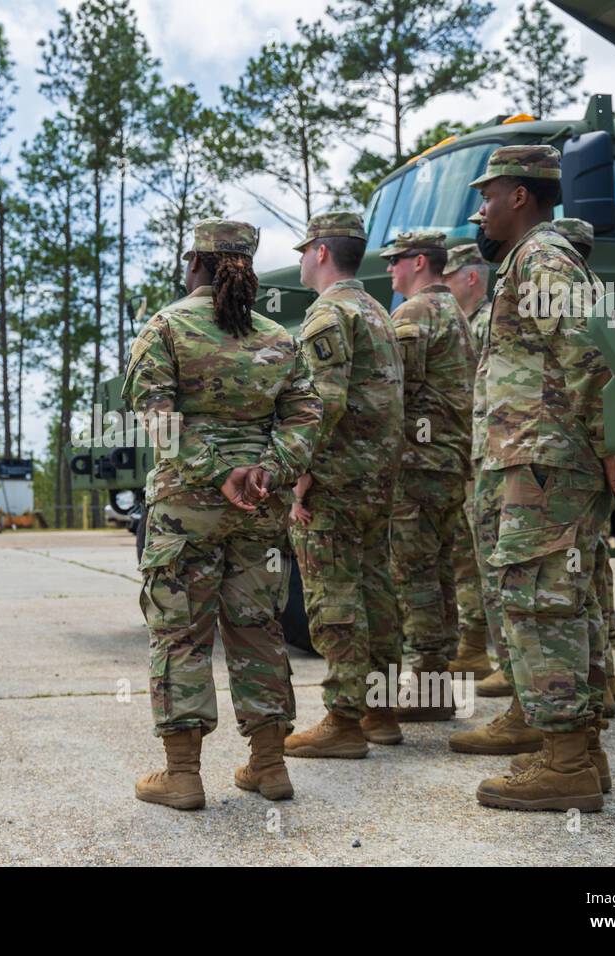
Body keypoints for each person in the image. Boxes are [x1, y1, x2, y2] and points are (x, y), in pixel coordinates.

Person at [452, 145, 615, 812]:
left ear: (521, 196)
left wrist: (612, 441)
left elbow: (588, 351)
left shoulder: (542, 258)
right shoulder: (529, 261)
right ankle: (580, 750)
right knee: (564, 599)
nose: (480, 206)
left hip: (545, 459)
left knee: (539, 600)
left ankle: (565, 763)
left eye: (489, 192)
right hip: (537, 455)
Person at [125, 218, 322, 810]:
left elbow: (156, 416)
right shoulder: (279, 339)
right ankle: (269, 766)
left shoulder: (165, 327)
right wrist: (266, 469)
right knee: (258, 630)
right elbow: (307, 417)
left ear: (194, 265)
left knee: (181, 633)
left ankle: (183, 776)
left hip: (188, 508)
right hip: (260, 510)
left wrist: (218, 472)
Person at [283, 212, 406, 759]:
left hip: (336, 478)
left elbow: (321, 404)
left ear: (322, 252)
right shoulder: (379, 311)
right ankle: (380, 711)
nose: (303, 258)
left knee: (333, 594)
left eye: (306, 249)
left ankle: (343, 721)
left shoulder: (328, 315)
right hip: (378, 477)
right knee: (377, 590)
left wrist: (301, 474)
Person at [381, 231, 474, 720]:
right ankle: (438, 682)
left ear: (419, 262)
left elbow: (397, 391)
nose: (391, 270)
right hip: (448, 462)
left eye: (396, 261)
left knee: (412, 573)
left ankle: (425, 684)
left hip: (419, 465)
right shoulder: (456, 311)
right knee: (438, 573)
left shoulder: (415, 313)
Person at [553, 217, 615, 715]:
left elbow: (586, 365)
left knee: (565, 586)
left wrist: (609, 444)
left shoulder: (560, 282)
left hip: (563, 452)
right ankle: (602, 682)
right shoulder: (604, 297)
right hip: (585, 452)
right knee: (591, 575)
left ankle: (582, 701)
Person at [442, 241, 497, 683]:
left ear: (471, 277)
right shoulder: (466, 323)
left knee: (489, 556)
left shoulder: (487, 323)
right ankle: (474, 645)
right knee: (468, 554)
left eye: (449, 277)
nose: (442, 286)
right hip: (469, 455)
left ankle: (484, 649)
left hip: (488, 457)